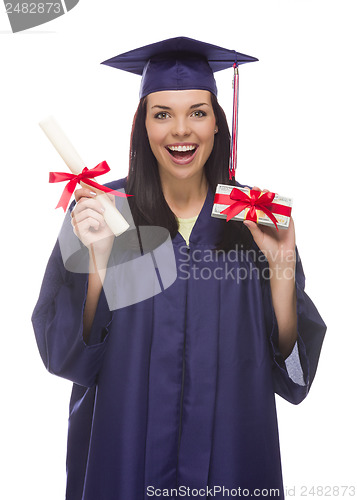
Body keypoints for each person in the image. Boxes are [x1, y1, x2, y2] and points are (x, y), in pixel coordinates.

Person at [32, 37, 326, 500]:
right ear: (142, 126)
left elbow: (291, 379)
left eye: (198, 112)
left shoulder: (252, 217)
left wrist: (283, 271)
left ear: (217, 123)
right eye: (162, 113)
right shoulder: (103, 212)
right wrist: (99, 262)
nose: (181, 131)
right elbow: (67, 358)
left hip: (233, 463)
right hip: (124, 458)